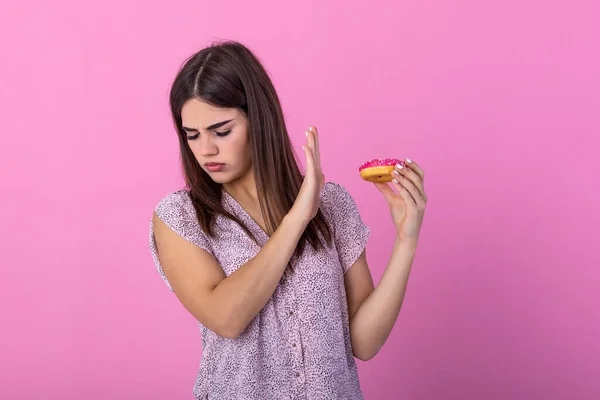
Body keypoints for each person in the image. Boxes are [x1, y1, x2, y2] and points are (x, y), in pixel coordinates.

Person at [148, 40, 427, 400]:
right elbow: (227, 318)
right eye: (192, 135)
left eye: (221, 131)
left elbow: (364, 342)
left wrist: (406, 241)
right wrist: (298, 217)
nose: (206, 150)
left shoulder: (333, 205)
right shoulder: (179, 217)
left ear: (259, 119)